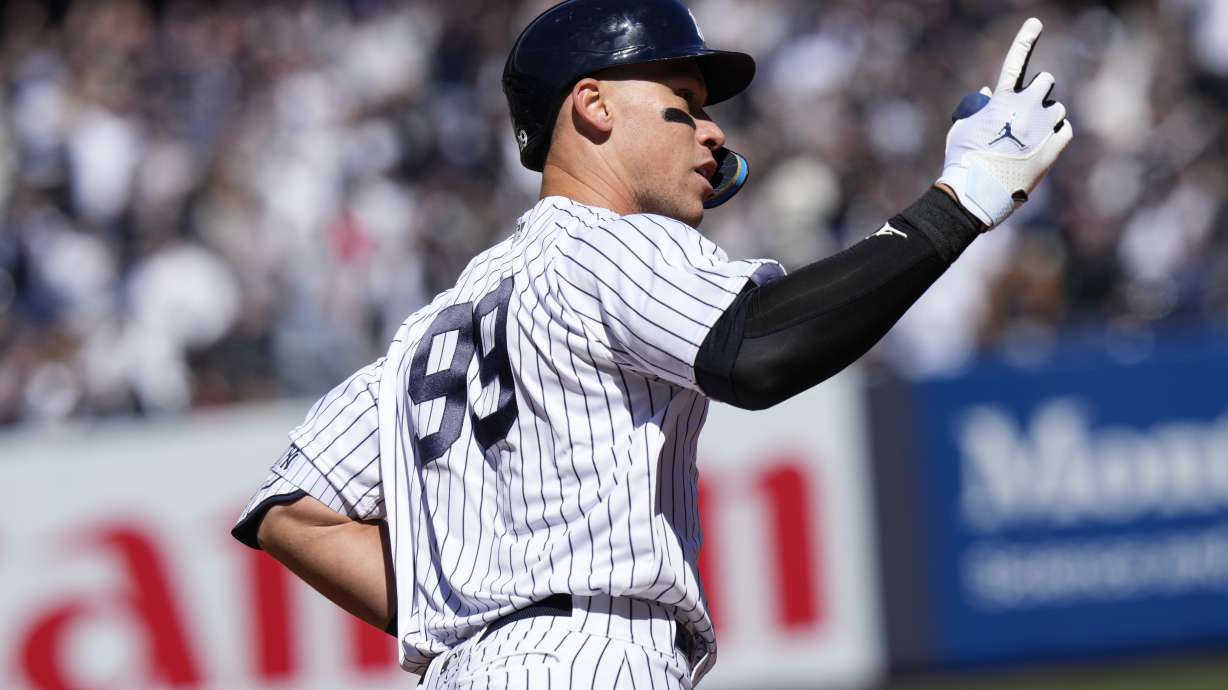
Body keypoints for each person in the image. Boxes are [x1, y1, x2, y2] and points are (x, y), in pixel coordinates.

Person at [230, 1, 1072, 688]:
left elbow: (289, 511)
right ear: (593, 106)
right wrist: (964, 198)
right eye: (685, 106)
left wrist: (460, 610)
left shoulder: (431, 326)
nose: (712, 134)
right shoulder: (603, 238)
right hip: (590, 662)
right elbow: (757, 352)